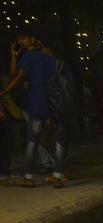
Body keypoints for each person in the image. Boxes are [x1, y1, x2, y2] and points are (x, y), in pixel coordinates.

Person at [0, 30, 67, 188]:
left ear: (33, 39)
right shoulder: (49, 56)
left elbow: (16, 77)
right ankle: (57, 176)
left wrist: (3, 92)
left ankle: (29, 178)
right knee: (58, 140)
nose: (20, 42)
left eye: (23, 38)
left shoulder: (29, 57)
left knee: (32, 141)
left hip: (37, 102)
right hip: (54, 102)